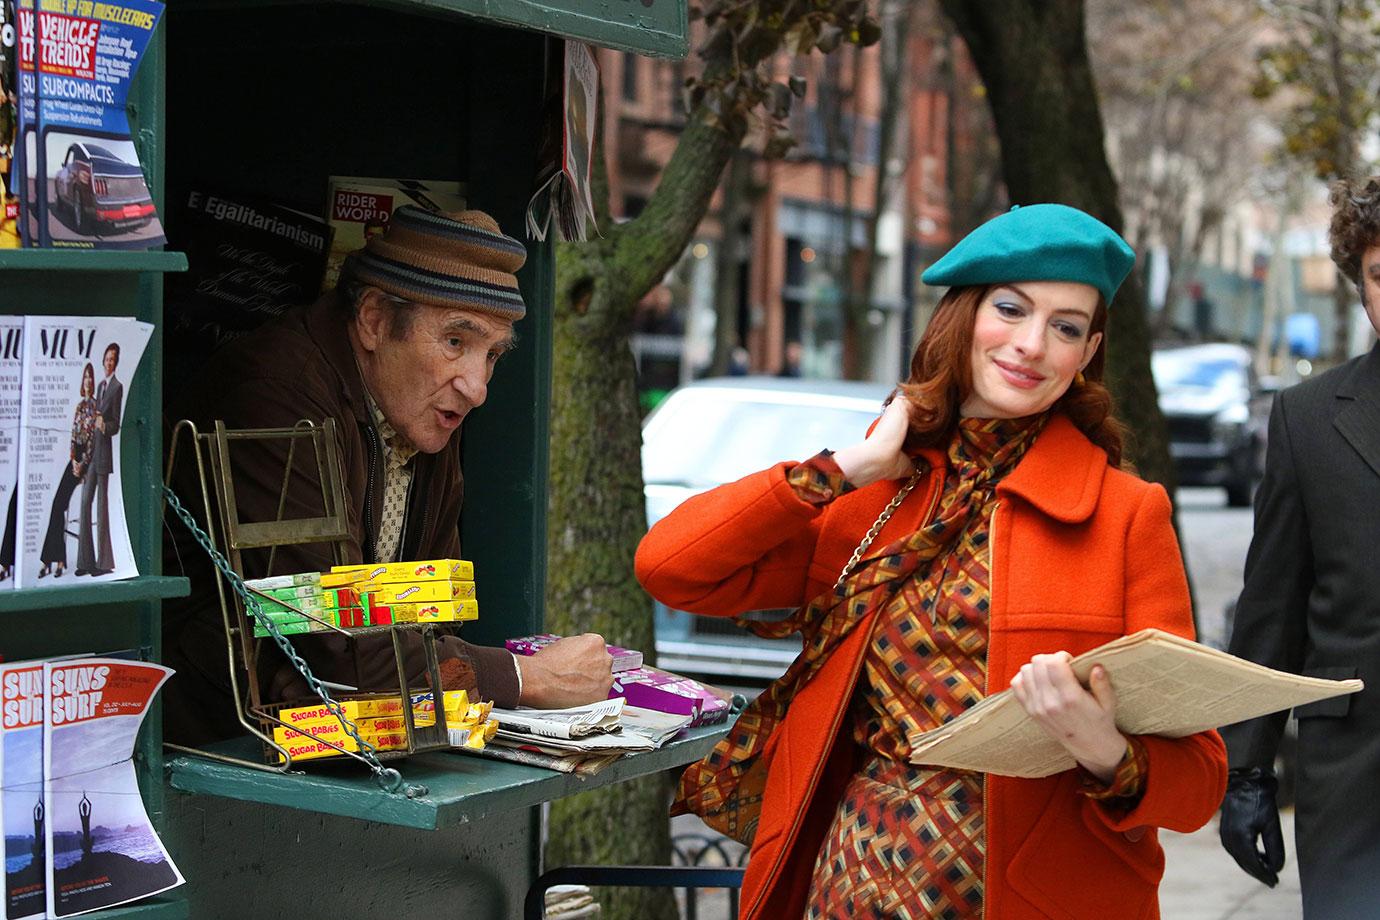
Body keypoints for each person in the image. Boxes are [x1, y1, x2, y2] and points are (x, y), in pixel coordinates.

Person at [637, 204, 1227, 919]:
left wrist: (1102, 747)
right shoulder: (874, 497)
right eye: (1010, 309)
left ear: (1086, 354)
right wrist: (849, 465)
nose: (1032, 344)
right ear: (963, 316)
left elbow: (1199, 785)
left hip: (1035, 895)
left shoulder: (1127, 514)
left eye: (1065, 327)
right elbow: (672, 567)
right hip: (856, 876)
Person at [163, 206, 614, 745]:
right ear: (375, 320)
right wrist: (527, 677)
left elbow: (431, 612)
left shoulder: (419, 405)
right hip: (212, 744)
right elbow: (326, 637)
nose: (477, 387)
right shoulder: (277, 396)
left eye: (492, 354)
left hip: (331, 739)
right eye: (454, 342)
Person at [1218, 177, 1380, 917]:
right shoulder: (1308, 417)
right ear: (1360, 285)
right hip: (1353, 781)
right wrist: (1246, 769)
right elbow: (1273, 602)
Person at [38, 362, 96, 578]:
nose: (88, 382)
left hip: (88, 460)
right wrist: (73, 460)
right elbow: (74, 436)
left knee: (61, 505)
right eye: (85, 378)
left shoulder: (95, 407)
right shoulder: (80, 406)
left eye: (90, 378)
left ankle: (51, 561)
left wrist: (83, 463)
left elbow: (94, 440)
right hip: (76, 458)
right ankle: (56, 559)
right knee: (57, 504)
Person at [76, 342, 122, 576]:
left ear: (116, 362)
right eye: (106, 358)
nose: (108, 362)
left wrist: (105, 426)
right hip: (90, 454)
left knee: (102, 509)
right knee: (85, 503)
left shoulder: (116, 387)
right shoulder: (99, 387)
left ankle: (103, 564)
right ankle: (85, 561)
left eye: (112, 359)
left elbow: (116, 424)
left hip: (103, 455)